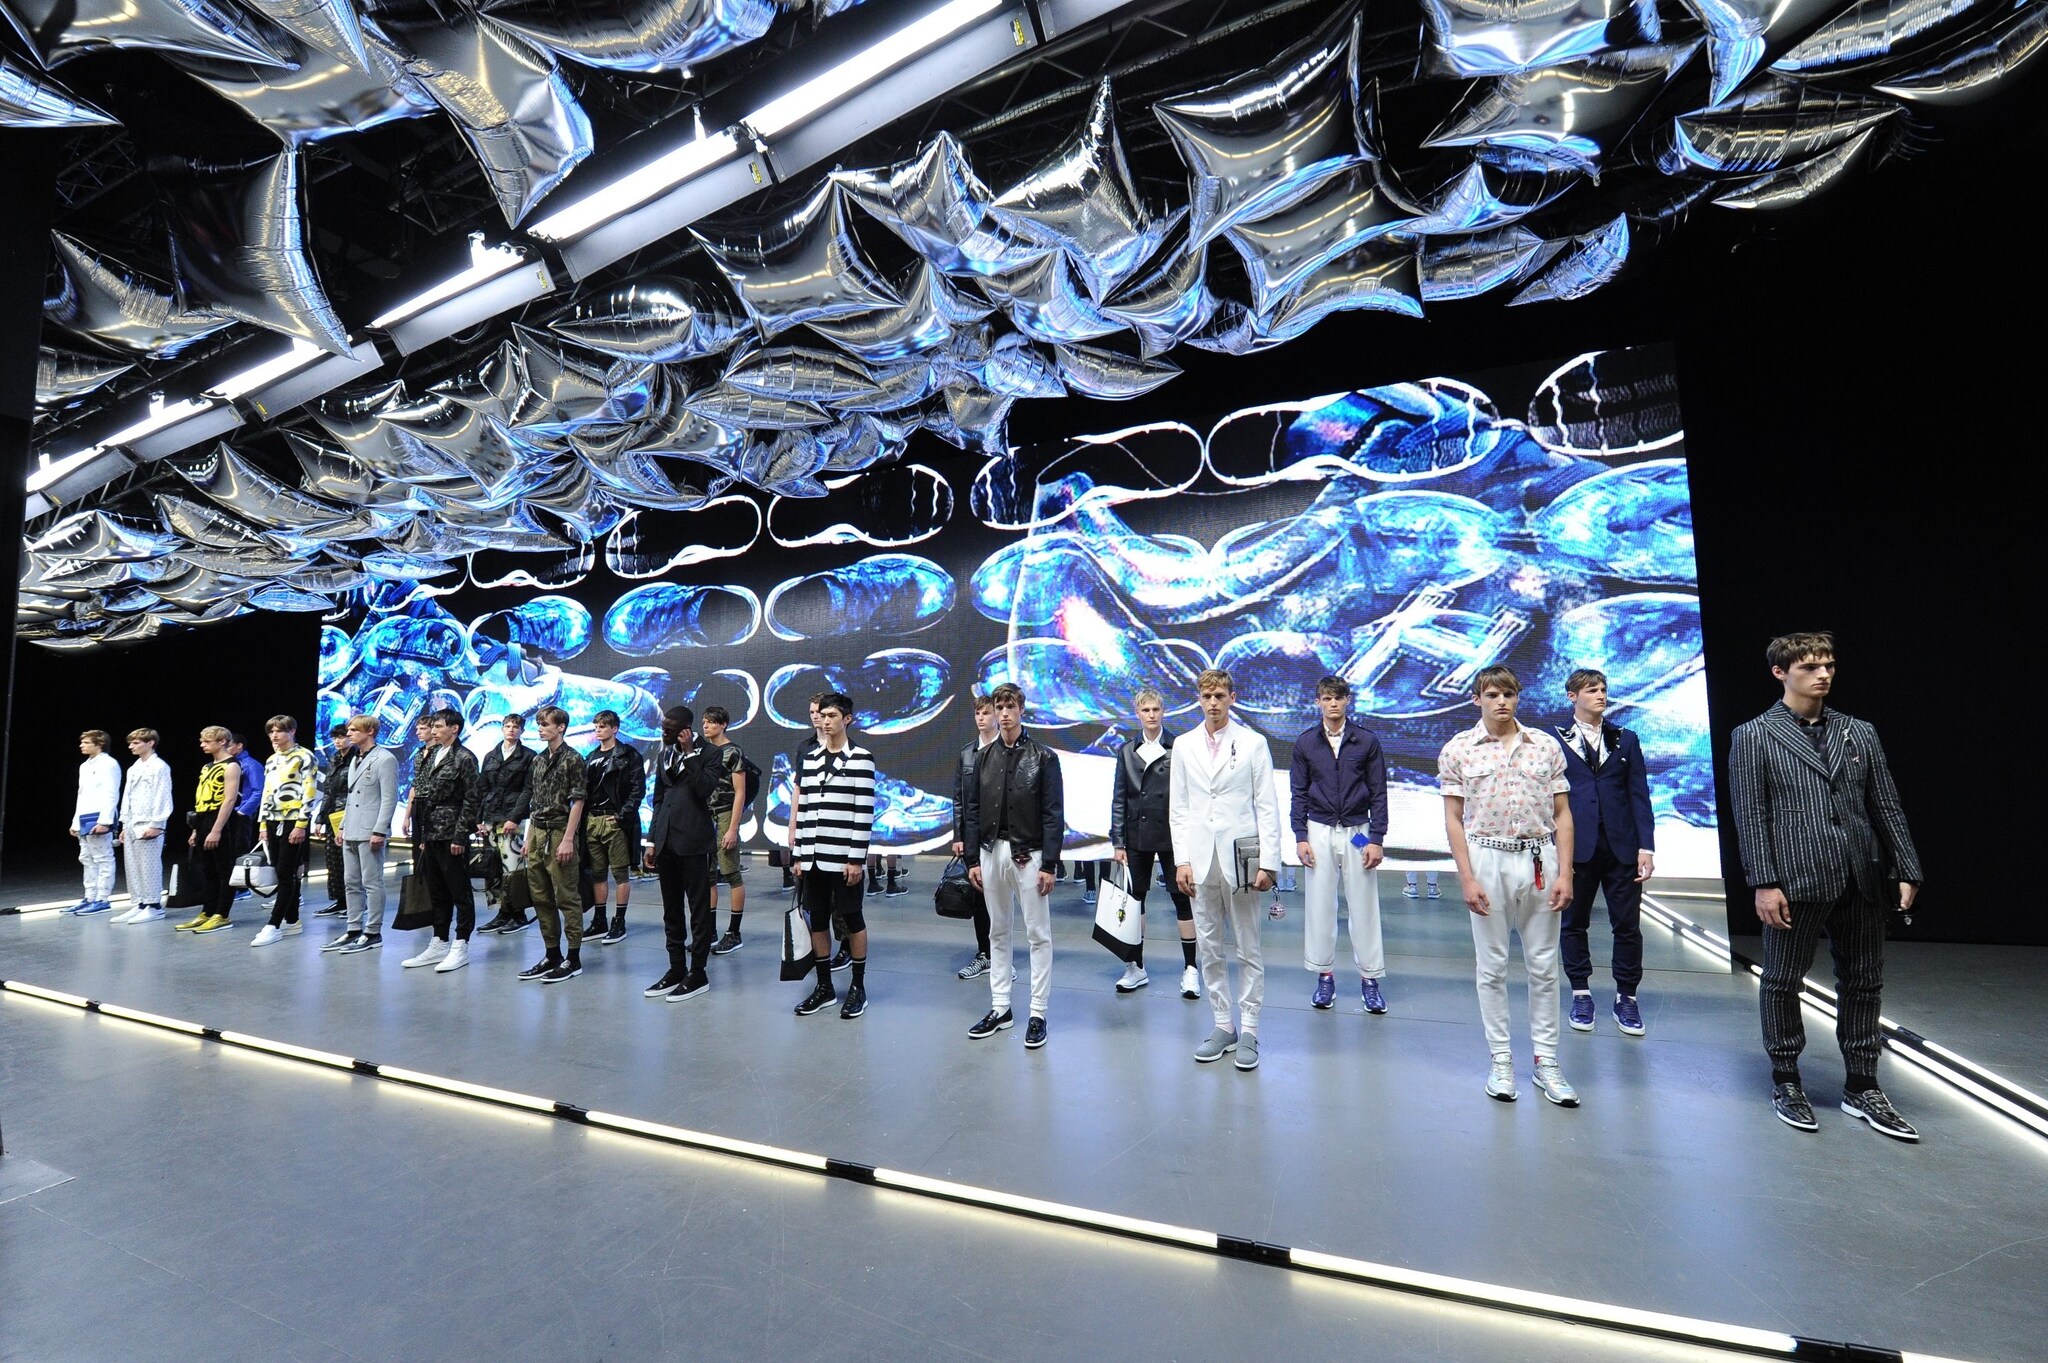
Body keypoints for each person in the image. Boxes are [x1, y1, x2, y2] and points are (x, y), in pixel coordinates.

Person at [1729, 632, 1922, 1141]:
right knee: (1782, 980)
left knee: (1864, 981)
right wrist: (1764, 882)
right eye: (1810, 667)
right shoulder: (1753, 735)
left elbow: (1886, 803)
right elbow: (1751, 815)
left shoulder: (1858, 731)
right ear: (1780, 672)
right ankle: (1786, 1079)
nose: (1823, 675)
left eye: (1829, 665)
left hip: (1861, 875)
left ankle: (1862, 1085)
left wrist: (1907, 867)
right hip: (1795, 877)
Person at [1439, 665, 1578, 1106]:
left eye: (1509, 694)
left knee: (1544, 966)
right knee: (1492, 966)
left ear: (1518, 697)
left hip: (1539, 856)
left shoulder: (1545, 746)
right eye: (1492, 694)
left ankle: (1546, 1061)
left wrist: (1566, 871)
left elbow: (1562, 813)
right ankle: (1501, 1059)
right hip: (1487, 857)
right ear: (1476, 699)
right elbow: (1453, 819)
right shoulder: (1459, 749)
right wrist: (1467, 876)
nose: (1501, 702)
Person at [1170, 669, 1281, 1071]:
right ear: (1198, 699)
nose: (1213, 703)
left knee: (1248, 947)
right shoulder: (1183, 745)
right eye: (1206, 696)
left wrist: (1269, 862)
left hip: (1242, 859)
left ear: (1232, 698)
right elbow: (1179, 807)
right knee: (1209, 946)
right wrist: (1182, 859)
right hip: (1199, 859)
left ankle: (1249, 1027)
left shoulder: (1253, 742)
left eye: (1219, 695)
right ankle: (1222, 1024)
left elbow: (1266, 805)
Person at [962, 682, 1066, 1048]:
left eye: (1010, 707)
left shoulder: (1044, 757)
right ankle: (1000, 1007)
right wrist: (972, 858)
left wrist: (1049, 864)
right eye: (999, 707)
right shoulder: (983, 758)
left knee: (1038, 934)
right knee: (998, 932)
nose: (1004, 714)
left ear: (1022, 710)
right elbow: (973, 810)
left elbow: (1053, 814)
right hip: (991, 853)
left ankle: (1038, 1012)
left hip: (1029, 855)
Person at [1554, 668, 1656, 1037]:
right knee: (1573, 923)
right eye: (1591, 690)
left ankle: (1626, 997)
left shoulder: (1625, 739)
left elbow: (1639, 794)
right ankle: (1580, 993)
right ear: (1572, 696)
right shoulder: (1553, 740)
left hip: (1622, 846)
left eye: (1603, 689)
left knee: (1627, 925)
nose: (1600, 695)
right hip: (1576, 846)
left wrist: (1646, 846)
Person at [1290, 676, 1391, 1015]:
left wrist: (1376, 839)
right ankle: (1325, 976)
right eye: (1326, 698)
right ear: (1317, 702)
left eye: (1338, 697)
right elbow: (1298, 793)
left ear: (1348, 700)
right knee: (1319, 905)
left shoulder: (1366, 740)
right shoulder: (1306, 742)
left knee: (1364, 904)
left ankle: (1370, 980)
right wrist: (1300, 836)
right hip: (1318, 830)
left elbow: (1378, 792)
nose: (1333, 703)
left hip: (1357, 832)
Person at [1108, 688, 1200, 998]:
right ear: (1137, 713)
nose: (1151, 715)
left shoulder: (1179, 747)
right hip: (1136, 833)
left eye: (1155, 709)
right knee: (1136, 901)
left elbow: (1189, 794)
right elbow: (1119, 797)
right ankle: (1135, 966)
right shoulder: (1126, 750)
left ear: (1163, 712)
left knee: (1182, 898)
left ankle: (1191, 969)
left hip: (1173, 833)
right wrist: (1118, 841)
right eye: (1145, 710)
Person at [790, 692, 875, 1020]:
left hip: (843, 859)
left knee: (852, 919)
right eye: (822, 715)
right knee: (818, 919)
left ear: (847, 719)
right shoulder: (810, 758)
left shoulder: (861, 758)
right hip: (813, 856)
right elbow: (805, 809)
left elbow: (863, 813)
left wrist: (855, 859)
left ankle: (857, 987)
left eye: (832, 716)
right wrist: (798, 854)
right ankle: (824, 986)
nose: (825, 721)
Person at [642, 706, 729, 1001]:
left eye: (668, 729)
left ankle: (698, 972)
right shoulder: (664, 754)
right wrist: (652, 842)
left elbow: (704, 789)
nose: (663, 733)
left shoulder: (711, 753)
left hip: (694, 841)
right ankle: (676, 968)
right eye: (662, 728)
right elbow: (658, 799)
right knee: (671, 909)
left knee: (698, 910)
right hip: (666, 841)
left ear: (685, 730)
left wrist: (690, 753)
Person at [401, 708, 481, 973]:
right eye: (432, 727)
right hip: (431, 832)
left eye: (438, 726)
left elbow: (471, 799)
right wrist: (423, 835)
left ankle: (461, 944)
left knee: (459, 891)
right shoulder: (434, 754)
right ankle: (439, 941)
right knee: (437, 891)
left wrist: (461, 835)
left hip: (451, 833)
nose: (433, 731)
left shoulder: (464, 757)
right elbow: (424, 795)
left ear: (454, 728)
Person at [519, 706, 588, 983]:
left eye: (546, 724)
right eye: (539, 724)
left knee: (566, 896)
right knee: (540, 896)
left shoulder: (573, 759)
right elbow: (534, 801)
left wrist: (569, 838)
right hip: (537, 831)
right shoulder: (538, 760)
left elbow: (578, 800)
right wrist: (528, 838)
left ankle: (573, 957)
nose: (540, 728)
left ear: (561, 727)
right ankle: (552, 954)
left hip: (560, 831)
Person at [326, 714, 397, 954]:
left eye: (354, 730)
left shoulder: (385, 759)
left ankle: (373, 931)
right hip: (352, 828)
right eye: (349, 730)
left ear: (370, 732)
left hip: (370, 830)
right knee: (351, 881)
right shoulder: (356, 758)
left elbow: (389, 798)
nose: (349, 734)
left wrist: (380, 829)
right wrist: (343, 826)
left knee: (372, 882)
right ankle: (353, 928)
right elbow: (351, 797)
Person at [249, 715, 316, 947]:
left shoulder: (305, 756)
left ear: (292, 731)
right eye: (271, 731)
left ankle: (273, 924)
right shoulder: (271, 759)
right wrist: (262, 824)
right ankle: (292, 919)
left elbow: (309, 791)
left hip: (292, 819)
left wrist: (301, 824)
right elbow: (267, 793)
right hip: (271, 819)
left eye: (279, 731)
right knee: (283, 871)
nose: (274, 735)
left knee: (286, 872)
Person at [581, 710, 645, 944]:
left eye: (603, 726)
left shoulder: (628, 755)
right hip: (593, 820)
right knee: (597, 873)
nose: (598, 730)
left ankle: (619, 922)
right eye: (596, 726)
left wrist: (621, 817)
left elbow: (637, 789)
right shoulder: (590, 757)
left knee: (620, 874)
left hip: (614, 821)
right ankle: (600, 921)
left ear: (615, 728)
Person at [950, 695, 999, 980]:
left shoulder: (1009, 750)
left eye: (986, 713)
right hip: (974, 836)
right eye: (978, 713)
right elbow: (959, 797)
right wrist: (958, 834)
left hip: (1003, 836)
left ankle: (1001, 956)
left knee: (1002, 898)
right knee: (979, 895)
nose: (981, 718)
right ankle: (985, 953)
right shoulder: (967, 753)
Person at [177, 726, 244, 934]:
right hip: (203, 818)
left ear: (222, 741)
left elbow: (229, 799)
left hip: (220, 819)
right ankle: (208, 911)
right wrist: (196, 830)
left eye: (207, 741)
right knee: (208, 869)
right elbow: (201, 798)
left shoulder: (231, 766)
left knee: (223, 868)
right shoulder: (207, 766)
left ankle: (222, 914)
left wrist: (216, 829)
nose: (202, 745)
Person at [477, 712, 535, 934]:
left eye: (515, 727)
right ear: (502, 729)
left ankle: (517, 914)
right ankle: (502, 913)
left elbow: (528, 790)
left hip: (513, 818)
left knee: (513, 869)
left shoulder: (528, 756)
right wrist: (478, 820)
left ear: (522, 730)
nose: (511, 730)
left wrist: (515, 817)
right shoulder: (491, 755)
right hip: (491, 817)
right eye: (508, 726)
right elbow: (483, 788)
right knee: (492, 867)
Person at [701, 706, 750, 955]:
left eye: (711, 722)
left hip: (725, 813)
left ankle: (734, 932)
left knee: (731, 873)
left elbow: (740, 792)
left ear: (723, 725)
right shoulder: (704, 751)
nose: (706, 726)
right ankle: (709, 931)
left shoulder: (732, 752)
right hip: (705, 815)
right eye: (704, 721)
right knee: (707, 876)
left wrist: (733, 828)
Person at [111, 728, 172, 923]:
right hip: (132, 822)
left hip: (148, 822)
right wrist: (124, 823)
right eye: (131, 743)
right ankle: (140, 903)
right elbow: (127, 795)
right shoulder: (133, 768)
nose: (131, 746)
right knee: (133, 866)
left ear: (150, 743)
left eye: (136, 743)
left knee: (149, 866)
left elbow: (162, 795)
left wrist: (157, 823)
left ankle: (154, 905)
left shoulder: (159, 767)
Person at [68, 729, 122, 914]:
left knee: (103, 857)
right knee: (86, 858)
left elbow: (111, 793)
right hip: (84, 817)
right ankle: (89, 897)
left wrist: (105, 821)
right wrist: (75, 822)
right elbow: (81, 795)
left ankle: (102, 899)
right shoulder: (84, 766)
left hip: (99, 817)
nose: (81, 745)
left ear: (99, 744)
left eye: (86, 742)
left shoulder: (109, 764)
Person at [310, 723, 351, 917]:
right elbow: (327, 791)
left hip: (349, 812)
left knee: (350, 861)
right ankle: (340, 901)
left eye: (342, 737)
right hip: (332, 814)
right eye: (335, 738)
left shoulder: (357, 758)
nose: (337, 741)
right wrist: (319, 817)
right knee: (333, 860)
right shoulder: (334, 758)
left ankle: (356, 902)